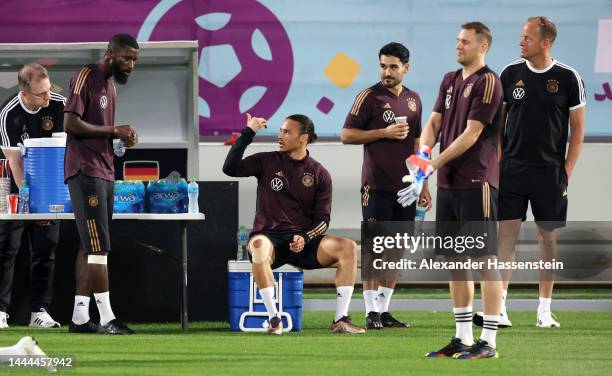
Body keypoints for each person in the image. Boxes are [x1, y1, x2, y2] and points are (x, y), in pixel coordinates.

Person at [473, 16, 585, 329]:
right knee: (505, 237)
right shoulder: (510, 73)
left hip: (550, 172)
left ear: (545, 42)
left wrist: (566, 170)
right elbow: (497, 127)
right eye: (521, 37)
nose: (521, 42)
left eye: (527, 38)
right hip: (511, 169)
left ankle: (544, 309)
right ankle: (501, 307)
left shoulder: (568, 78)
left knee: (547, 237)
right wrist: (498, 162)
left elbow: (577, 131)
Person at [223, 113, 364, 335]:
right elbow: (229, 168)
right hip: (269, 239)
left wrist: (306, 237)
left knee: (347, 246)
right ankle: (274, 320)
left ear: (303, 138)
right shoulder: (266, 161)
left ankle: (341, 320)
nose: (280, 136)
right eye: (280, 131)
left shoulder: (320, 174)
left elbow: (323, 219)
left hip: (303, 242)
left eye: (287, 132)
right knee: (258, 246)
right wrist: (248, 132)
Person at [413, 22, 503, 359]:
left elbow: (472, 133)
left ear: (483, 47)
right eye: (457, 41)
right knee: (454, 260)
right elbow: (434, 123)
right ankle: (462, 337)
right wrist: (423, 153)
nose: (458, 46)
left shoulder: (489, 82)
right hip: (448, 183)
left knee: (484, 259)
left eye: (465, 42)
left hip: (477, 181)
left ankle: (489, 341)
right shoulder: (450, 79)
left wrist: (431, 164)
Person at [341, 42, 421, 330]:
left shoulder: (414, 100)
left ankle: (384, 311)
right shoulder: (369, 97)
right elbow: (346, 135)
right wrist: (383, 132)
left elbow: (417, 143)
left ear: (406, 68)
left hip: (406, 188)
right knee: (375, 248)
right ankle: (370, 312)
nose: (387, 72)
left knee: (397, 248)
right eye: (383, 66)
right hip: (375, 185)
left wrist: (421, 182)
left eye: (393, 67)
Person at [63, 33, 139, 334]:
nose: (130, 65)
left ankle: (80, 318)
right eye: (126, 58)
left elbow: (102, 132)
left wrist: (121, 138)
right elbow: (69, 123)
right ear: (110, 53)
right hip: (85, 171)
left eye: (134, 60)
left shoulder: (111, 86)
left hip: (105, 171)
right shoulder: (86, 75)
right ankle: (107, 318)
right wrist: (113, 129)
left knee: (89, 246)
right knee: (98, 247)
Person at [0, 63, 63, 329]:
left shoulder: (59, 104)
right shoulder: (7, 113)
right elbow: (15, 163)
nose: (48, 98)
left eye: (49, 90)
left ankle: (39, 311)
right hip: (15, 186)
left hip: (50, 189)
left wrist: (50, 197)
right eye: (41, 94)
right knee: (6, 248)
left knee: (45, 249)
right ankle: (1, 312)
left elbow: (65, 151)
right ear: (24, 94)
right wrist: (28, 201)